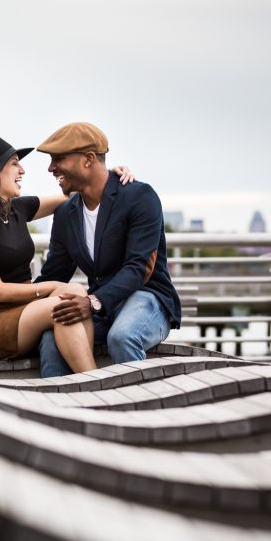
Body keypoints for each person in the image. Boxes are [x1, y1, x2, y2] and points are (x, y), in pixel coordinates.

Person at [0, 134, 133, 370]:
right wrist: (49, 286)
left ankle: (82, 381)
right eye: (15, 163)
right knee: (62, 305)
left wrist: (107, 175)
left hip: (25, 309)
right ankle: (93, 381)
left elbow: (72, 192)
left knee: (75, 292)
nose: (23, 170)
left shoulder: (17, 209)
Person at [34, 122, 181, 378]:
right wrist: (17, 303)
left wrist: (92, 302)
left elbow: (137, 269)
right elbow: (53, 275)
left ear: (88, 159)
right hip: (103, 307)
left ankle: (139, 412)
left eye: (58, 159)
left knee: (122, 336)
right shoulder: (66, 214)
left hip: (147, 297)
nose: (51, 168)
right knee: (51, 337)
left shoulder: (139, 197)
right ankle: (61, 413)